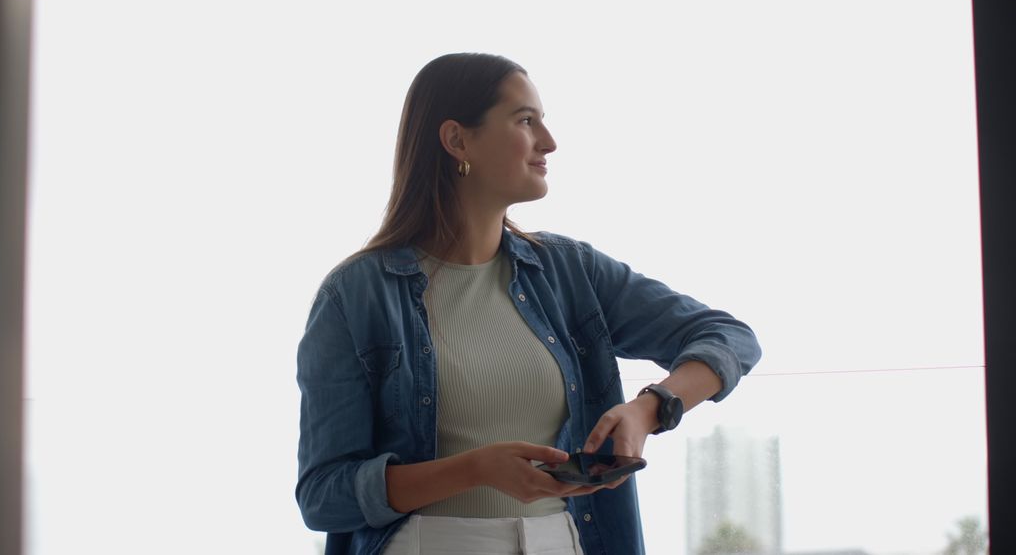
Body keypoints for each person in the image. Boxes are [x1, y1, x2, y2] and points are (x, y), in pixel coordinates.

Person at [295, 52, 762, 555]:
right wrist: (472, 469)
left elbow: (731, 338)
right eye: (525, 121)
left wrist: (650, 409)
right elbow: (323, 497)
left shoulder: (569, 272)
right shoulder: (355, 296)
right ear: (457, 140)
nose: (549, 142)